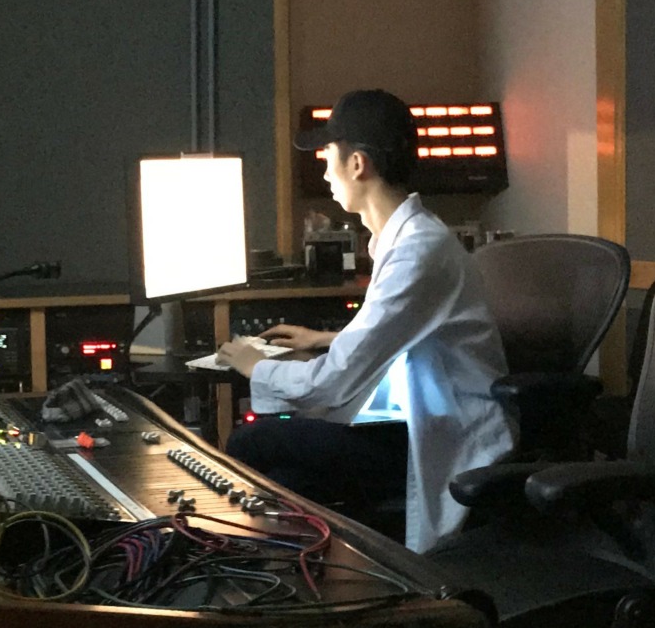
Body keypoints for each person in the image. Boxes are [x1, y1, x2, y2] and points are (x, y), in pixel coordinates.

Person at [216, 89, 513, 552]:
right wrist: (327, 337)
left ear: (357, 164)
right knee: (289, 481)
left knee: (251, 443)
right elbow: (402, 332)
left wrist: (257, 366)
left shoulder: (418, 250)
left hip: (438, 436)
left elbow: (333, 383)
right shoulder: (404, 239)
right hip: (413, 420)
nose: (324, 171)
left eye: (327, 156)